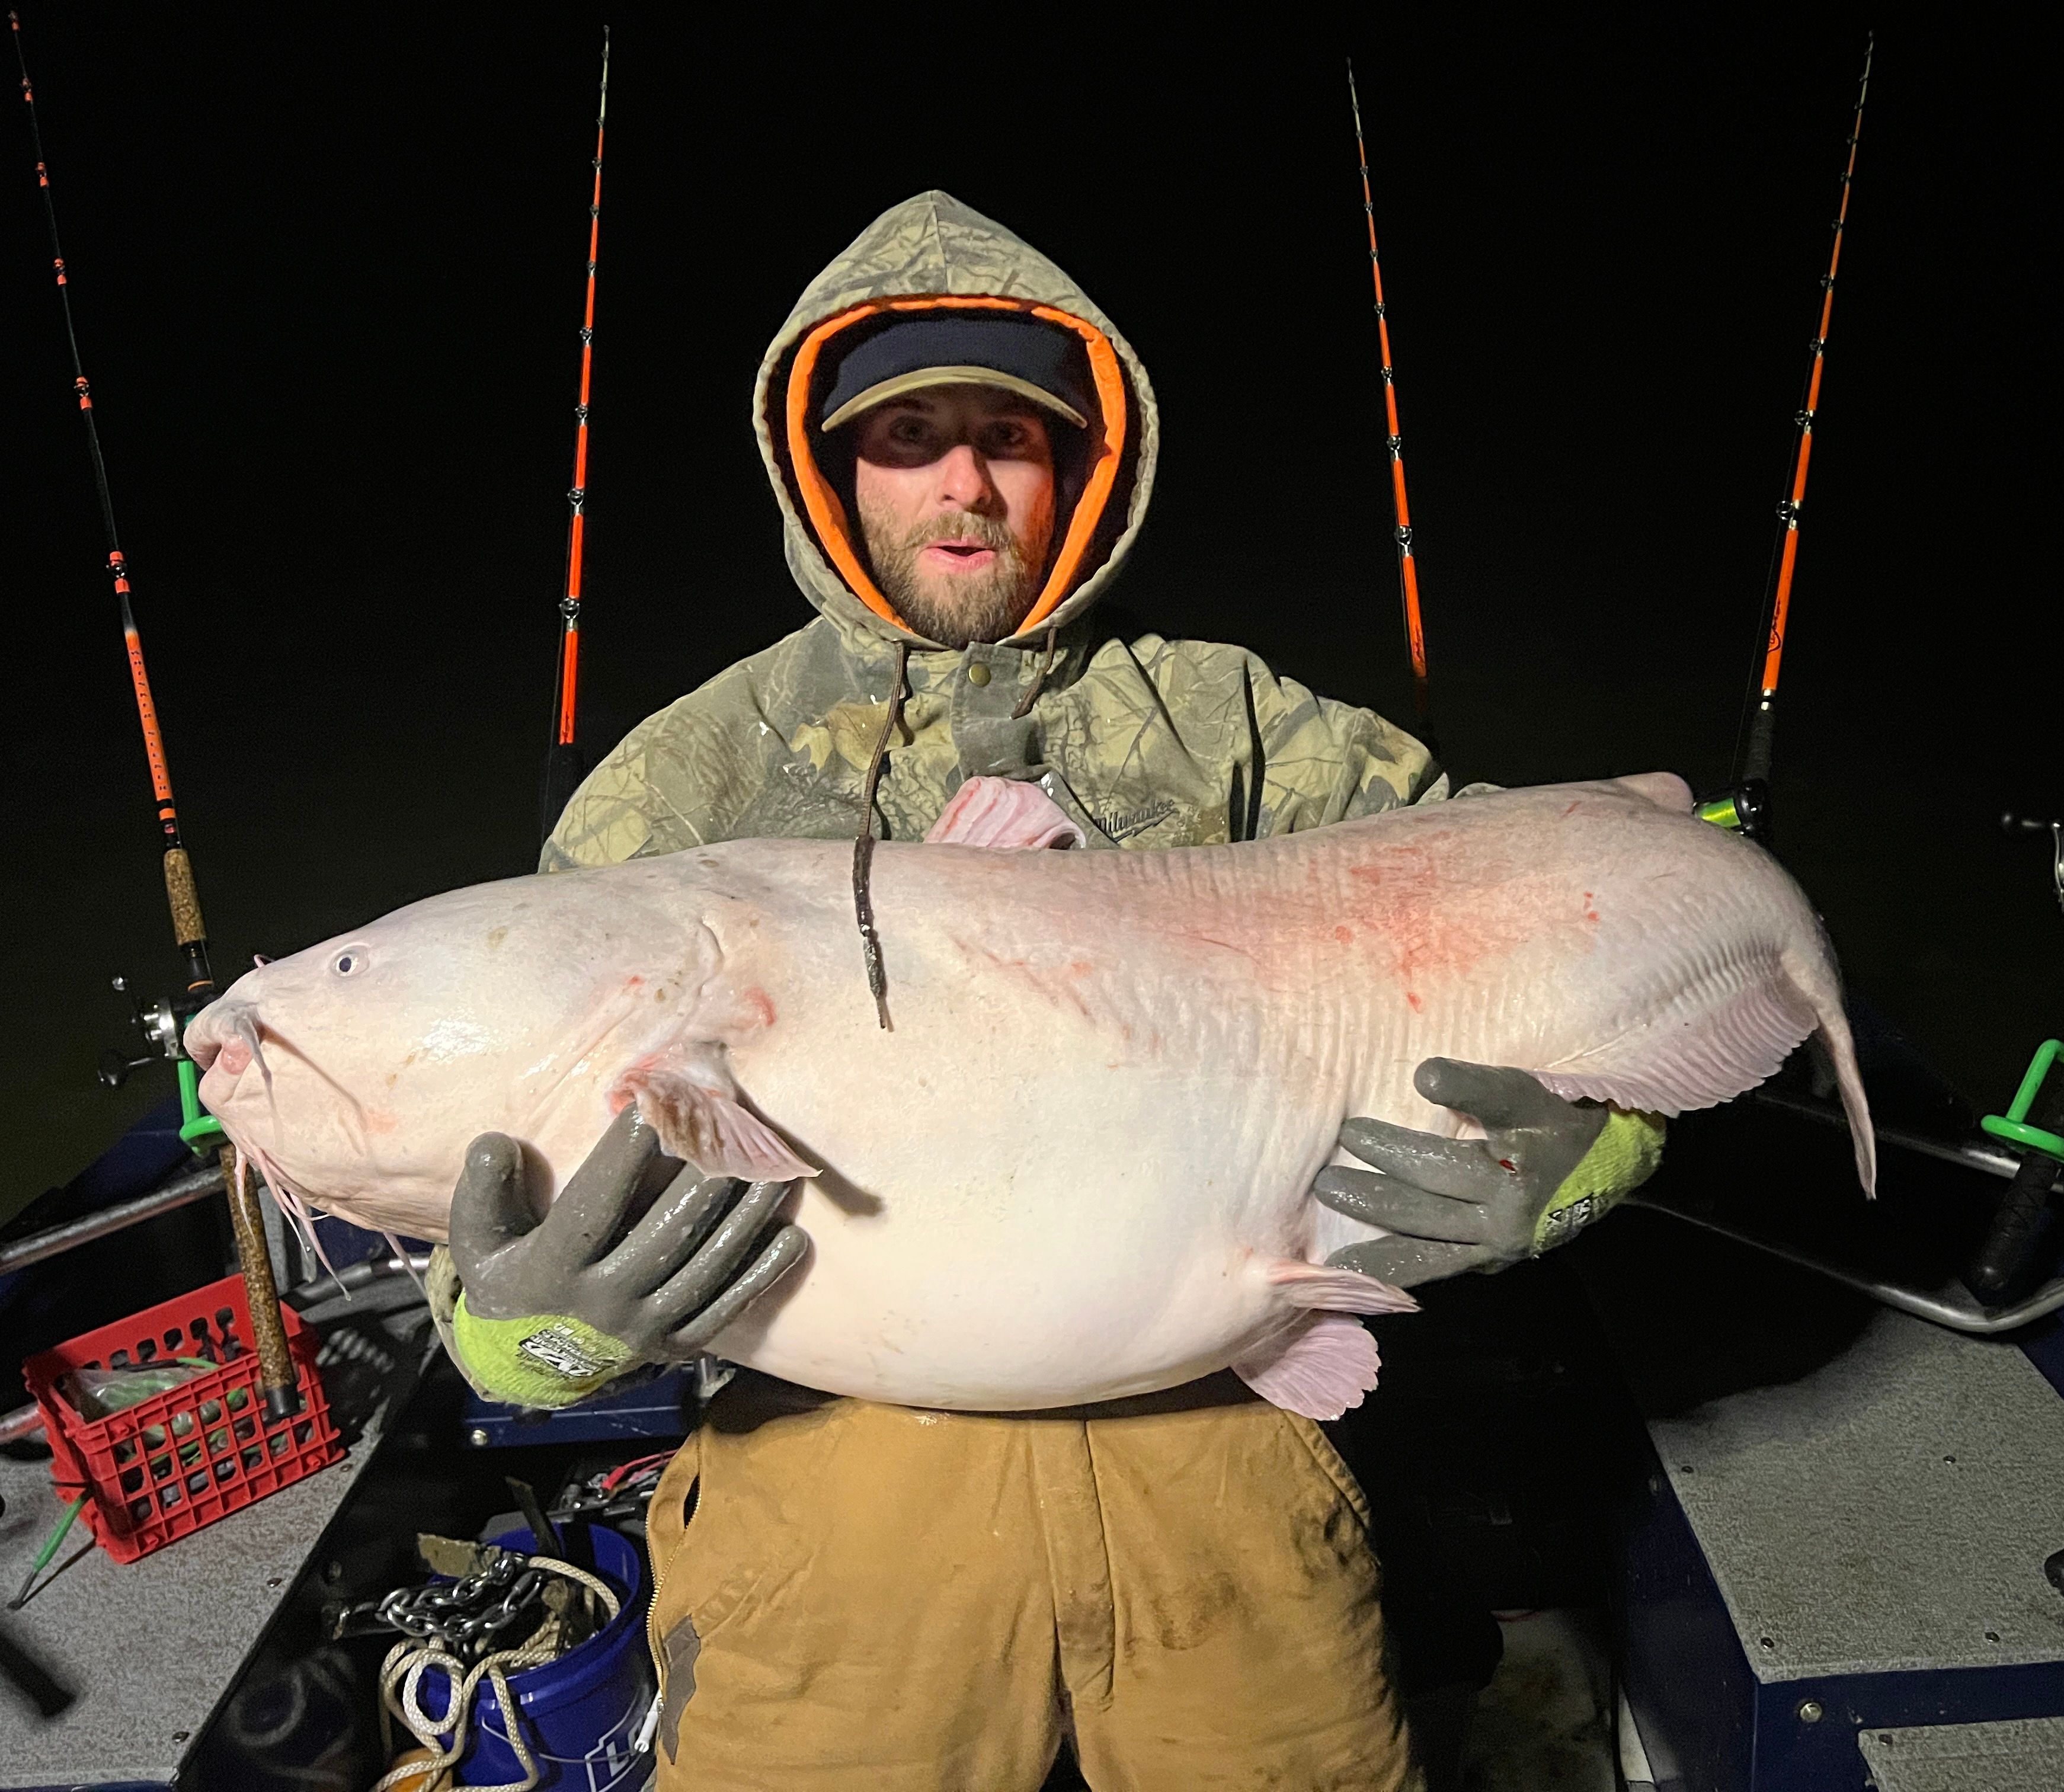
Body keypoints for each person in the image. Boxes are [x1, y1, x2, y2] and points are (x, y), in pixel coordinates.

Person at [425, 191, 1666, 1791]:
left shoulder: (1233, 726)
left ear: (1082, 463)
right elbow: (486, 1281)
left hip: (1231, 1478)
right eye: (909, 434)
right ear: (830, 469)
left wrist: (1587, 1155)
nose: (961, 479)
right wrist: (546, 1332)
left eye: (1008, 433)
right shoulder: (683, 786)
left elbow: (1570, 936)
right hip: (835, 1514)